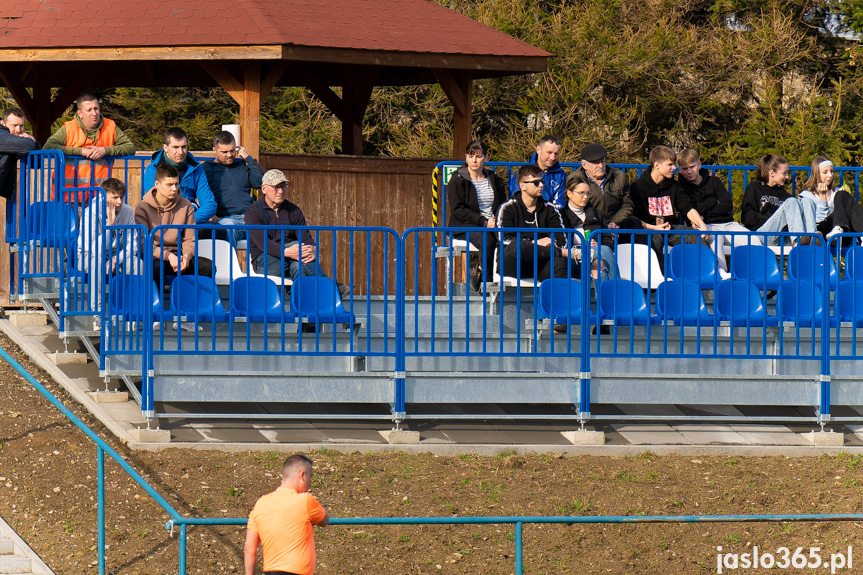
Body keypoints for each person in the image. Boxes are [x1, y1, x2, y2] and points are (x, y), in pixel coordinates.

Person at [245, 169, 349, 301]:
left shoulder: (293, 210)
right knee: (297, 247)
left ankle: (306, 315)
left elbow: (306, 237)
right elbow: (262, 243)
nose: (281, 191)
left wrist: (312, 249)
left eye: (283, 187)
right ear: (264, 189)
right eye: (276, 187)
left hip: (293, 258)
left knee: (298, 267)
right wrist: (286, 252)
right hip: (264, 261)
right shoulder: (253, 211)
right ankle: (331, 289)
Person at [677, 148, 760, 279]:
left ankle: (749, 275)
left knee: (754, 241)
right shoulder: (680, 187)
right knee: (716, 236)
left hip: (728, 224)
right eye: (684, 168)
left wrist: (702, 212)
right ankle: (721, 273)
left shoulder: (714, 181)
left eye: (692, 167)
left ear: (699, 164)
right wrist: (713, 202)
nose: (688, 171)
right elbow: (689, 209)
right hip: (707, 226)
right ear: (679, 169)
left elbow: (727, 204)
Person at [244, 454, 329, 575]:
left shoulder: (261, 504)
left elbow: (250, 547)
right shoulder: (305, 500)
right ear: (302, 475)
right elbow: (324, 520)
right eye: (310, 477)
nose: (310, 484)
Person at [43, 92, 135, 201]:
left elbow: (130, 147)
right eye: (89, 110)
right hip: (68, 198)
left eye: (96, 108)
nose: (94, 113)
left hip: (99, 197)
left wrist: (105, 151)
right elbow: (48, 147)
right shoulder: (68, 128)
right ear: (80, 113)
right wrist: (80, 152)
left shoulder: (110, 126)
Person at [134, 164, 213, 288]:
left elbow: (190, 239)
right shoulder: (143, 207)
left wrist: (186, 256)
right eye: (169, 184)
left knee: (208, 267)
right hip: (156, 256)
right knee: (155, 266)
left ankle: (192, 305)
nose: (174, 188)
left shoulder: (186, 205)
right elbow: (143, 244)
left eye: (176, 184)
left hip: (179, 255)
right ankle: (155, 305)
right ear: (157, 185)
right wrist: (168, 256)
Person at [445, 140, 508, 292]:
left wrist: (496, 218)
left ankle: (491, 274)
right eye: (470, 156)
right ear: (466, 158)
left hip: (491, 222)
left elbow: (501, 201)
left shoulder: (492, 177)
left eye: (478, 157)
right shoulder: (458, 179)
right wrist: (483, 222)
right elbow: (458, 210)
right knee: (487, 240)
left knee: (508, 239)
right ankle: (487, 282)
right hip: (464, 224)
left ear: (486, 158)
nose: (474, 160)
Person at [498, 164, 574, 283]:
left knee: (559, 262)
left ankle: (559, 301)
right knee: (517, 246)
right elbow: (505, 239)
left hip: (541, 262)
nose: (541, 185)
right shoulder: (507, 208)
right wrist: (534, 243)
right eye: (536, 182)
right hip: (515, 264)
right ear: (522, 185)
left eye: (542, 181)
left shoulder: (550, 209)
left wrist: (549, 245)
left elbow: (562, 241)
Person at [77, 178, 140, 319]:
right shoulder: (90, 213)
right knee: (97, 262)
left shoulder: (127, 211)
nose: (119, 202)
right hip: (87, 255)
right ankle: (97, 312)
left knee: (137, 263)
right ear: (102, 197)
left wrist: (117, 259)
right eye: (114, 198)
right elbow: (95, 251)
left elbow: (132, 244)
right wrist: (109, 226)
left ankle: (134, 310)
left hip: (115, 255)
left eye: (121, 197)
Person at [629, 146, 702, 262]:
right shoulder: (638, 187)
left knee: (695, 236)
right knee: (655, 240)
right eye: (670, 164)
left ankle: (706, 273)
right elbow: (634, 217)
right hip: (649, 229)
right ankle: (661, 277)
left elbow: (687, 207)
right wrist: (654, 227)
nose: (674, 168)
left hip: (670, 228)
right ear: (657, 165)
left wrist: (701, 225)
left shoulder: (674, 186)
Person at [142, 127, 216, 224]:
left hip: (191, 218)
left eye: (184, 147)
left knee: (221, 232)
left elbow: (209, 204)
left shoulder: (196, 168)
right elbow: (155, 202)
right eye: (176, 147)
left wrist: (188, 221)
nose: (181, 152)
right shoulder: (152, 170)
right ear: (165, 148)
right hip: (164, 221)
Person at [202, 130, 265, 244]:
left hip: (250, 217)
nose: (230, 155)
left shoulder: (242, 165)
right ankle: (228, 262)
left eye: (232, 150)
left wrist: (248, 157)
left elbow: (261, 182)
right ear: (214, 150)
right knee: (228, 230)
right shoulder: (206, 169)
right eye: (224, 152)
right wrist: (208, 213)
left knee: (272, 230)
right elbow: (196, 193)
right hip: (226, 219)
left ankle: (268, 262)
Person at [741, 154, 818, 245]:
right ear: (771, 173)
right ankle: (798, 240)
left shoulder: (783, 194)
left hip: (782, 237)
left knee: (807, 201)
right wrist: (774, 218)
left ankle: (813, 239)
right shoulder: (755, 187)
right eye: (784, 173)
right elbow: (747, 217)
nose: (787, 177)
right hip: (762, 235)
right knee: (792, 201)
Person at [560, 174, 618, 282]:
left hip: (594, 259)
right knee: (603, 251)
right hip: (572, 260)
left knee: (599, 262)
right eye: (581, 193)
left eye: (587, 193)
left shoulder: (597, 214)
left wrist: (597, 245)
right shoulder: (560, 216)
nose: (585, 197)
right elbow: (560, 243)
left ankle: (603, 298)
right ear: (569, 193)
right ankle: (618, 293)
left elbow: (608, 241)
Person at [799, 156, 863, 245]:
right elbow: (816, 221)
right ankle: (837, 230)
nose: (830, 175)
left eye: (832, 171)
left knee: (842, 195)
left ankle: (840, 229)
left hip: (842, 233)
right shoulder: (808, 195)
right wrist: (822, 197)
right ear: (817, 174)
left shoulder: (838, 192)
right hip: (822, 233)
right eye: (825, 172)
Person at [572, 143, 638, 229]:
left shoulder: (619, 177)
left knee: (633, 222)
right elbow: (573, 208)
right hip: (589, 224)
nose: (601, 166)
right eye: (596, 163)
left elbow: (627, 204)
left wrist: (614, 222)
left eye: (602, 161)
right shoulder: (575, 180)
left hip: (616, 225)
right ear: (584, 165)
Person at [507, 135, 567, 208]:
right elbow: (515, 199)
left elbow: (560, 202)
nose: (552, 157)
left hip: (551, 216)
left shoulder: (560, 175)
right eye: (549, 152)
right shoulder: (523, 173)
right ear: (538, 149)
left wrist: (547, 214)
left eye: (556, 154)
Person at [0, 107, 39, 201]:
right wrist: (32, 140)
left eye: (21, 125)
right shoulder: (2, 134)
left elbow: (37, 162)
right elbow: (28, 145)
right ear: (3, 123)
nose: (19, 130)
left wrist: (34, 144)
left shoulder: (16, 143)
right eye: (14, 125)